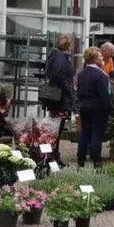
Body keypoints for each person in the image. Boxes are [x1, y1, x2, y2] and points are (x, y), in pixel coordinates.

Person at [76, 47, 112, 168]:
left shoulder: (81, 74)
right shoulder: (101, 75)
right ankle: (96, 160)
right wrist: (109, 109)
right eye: (100, 56)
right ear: (95, 58)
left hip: (84, 106)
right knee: (97, 134)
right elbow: (104, 95)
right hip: (98, 108)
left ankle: (80, 160)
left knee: (84, 132)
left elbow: (79, 93)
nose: (102, 58)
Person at [44, 34, 75, 167]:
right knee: (57, 129)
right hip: (60, 99)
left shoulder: (55, 56)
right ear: (67, 46)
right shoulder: (59, 57)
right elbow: (58, 75)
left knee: (56, 129)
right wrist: (68, 89)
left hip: (58, 98)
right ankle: (53, 156)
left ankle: (54, 155)